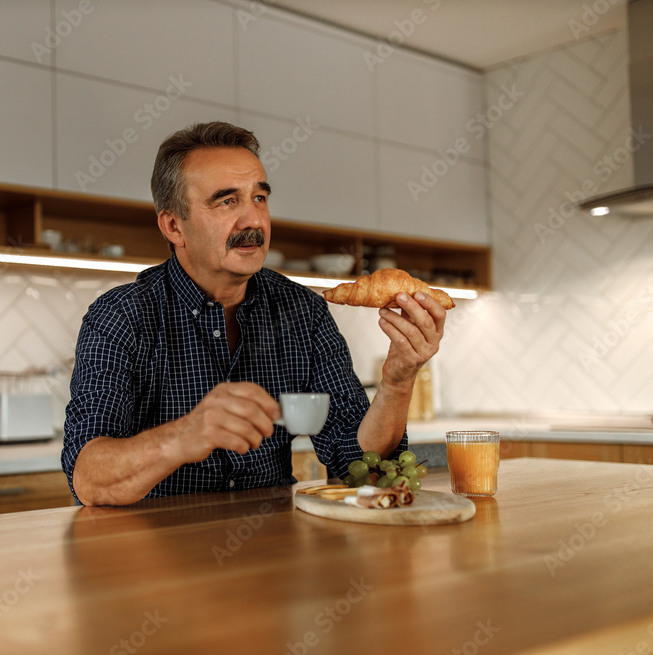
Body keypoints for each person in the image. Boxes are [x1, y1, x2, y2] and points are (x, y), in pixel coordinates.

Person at [62, 121, 445, 506]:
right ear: (174, 226)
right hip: (155, 554)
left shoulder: (303, 312)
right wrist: (184, 436)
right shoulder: (120, 317)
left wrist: (398, 381)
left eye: (259, 198)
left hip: (275, 546)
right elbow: (89, 479)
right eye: (227, 201)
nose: (254, 221)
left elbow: (361, 467)